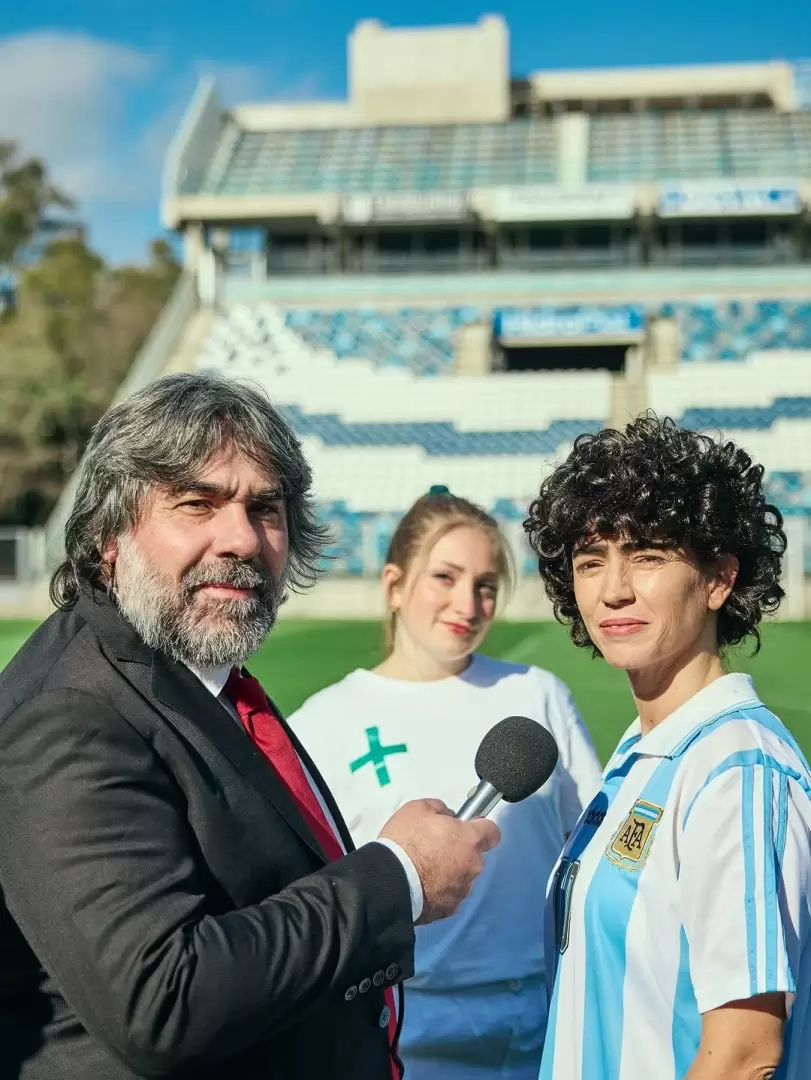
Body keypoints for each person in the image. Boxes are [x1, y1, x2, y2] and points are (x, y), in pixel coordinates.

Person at [0, 373, 501, 1080]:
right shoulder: (70, 716)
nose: (240, 537)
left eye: (264, 507)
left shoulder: (194, 677)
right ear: (111, 534)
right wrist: (399, 878)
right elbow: (163, 1000)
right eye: (196, 503)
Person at [524, 414, 811, 1080]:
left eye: (647, 555)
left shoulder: (736, 767)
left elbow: (743, 1055)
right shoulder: (643, 750)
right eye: (590, 561)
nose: (613, 588)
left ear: (718, 579)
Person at [288, 487, 602, 1080]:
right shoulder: (324, 722)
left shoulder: (535, 693)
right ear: (395, 584)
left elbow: (588, 844)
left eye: (485, 585)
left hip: (542, 1014)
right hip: (405, 1023)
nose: (468, 602)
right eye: (446, 577)